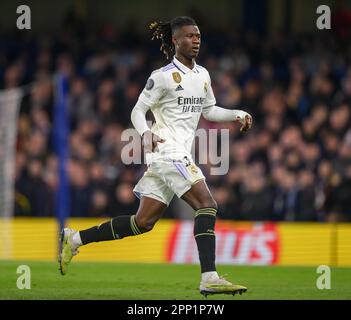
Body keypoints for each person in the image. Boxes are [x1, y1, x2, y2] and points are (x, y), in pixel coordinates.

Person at [59, 16, 252, 296]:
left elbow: (209, 111)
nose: (195, 40)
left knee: (143, 223)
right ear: (175, 41)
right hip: (166, 152)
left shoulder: (203, 76)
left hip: (176, 154)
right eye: (189, 36)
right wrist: (144, 133)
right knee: (207, 204)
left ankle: (74, 239)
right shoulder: (161, 77)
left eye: (198, 36)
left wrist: (237, 113)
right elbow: (137, 110)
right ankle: (209, 277)